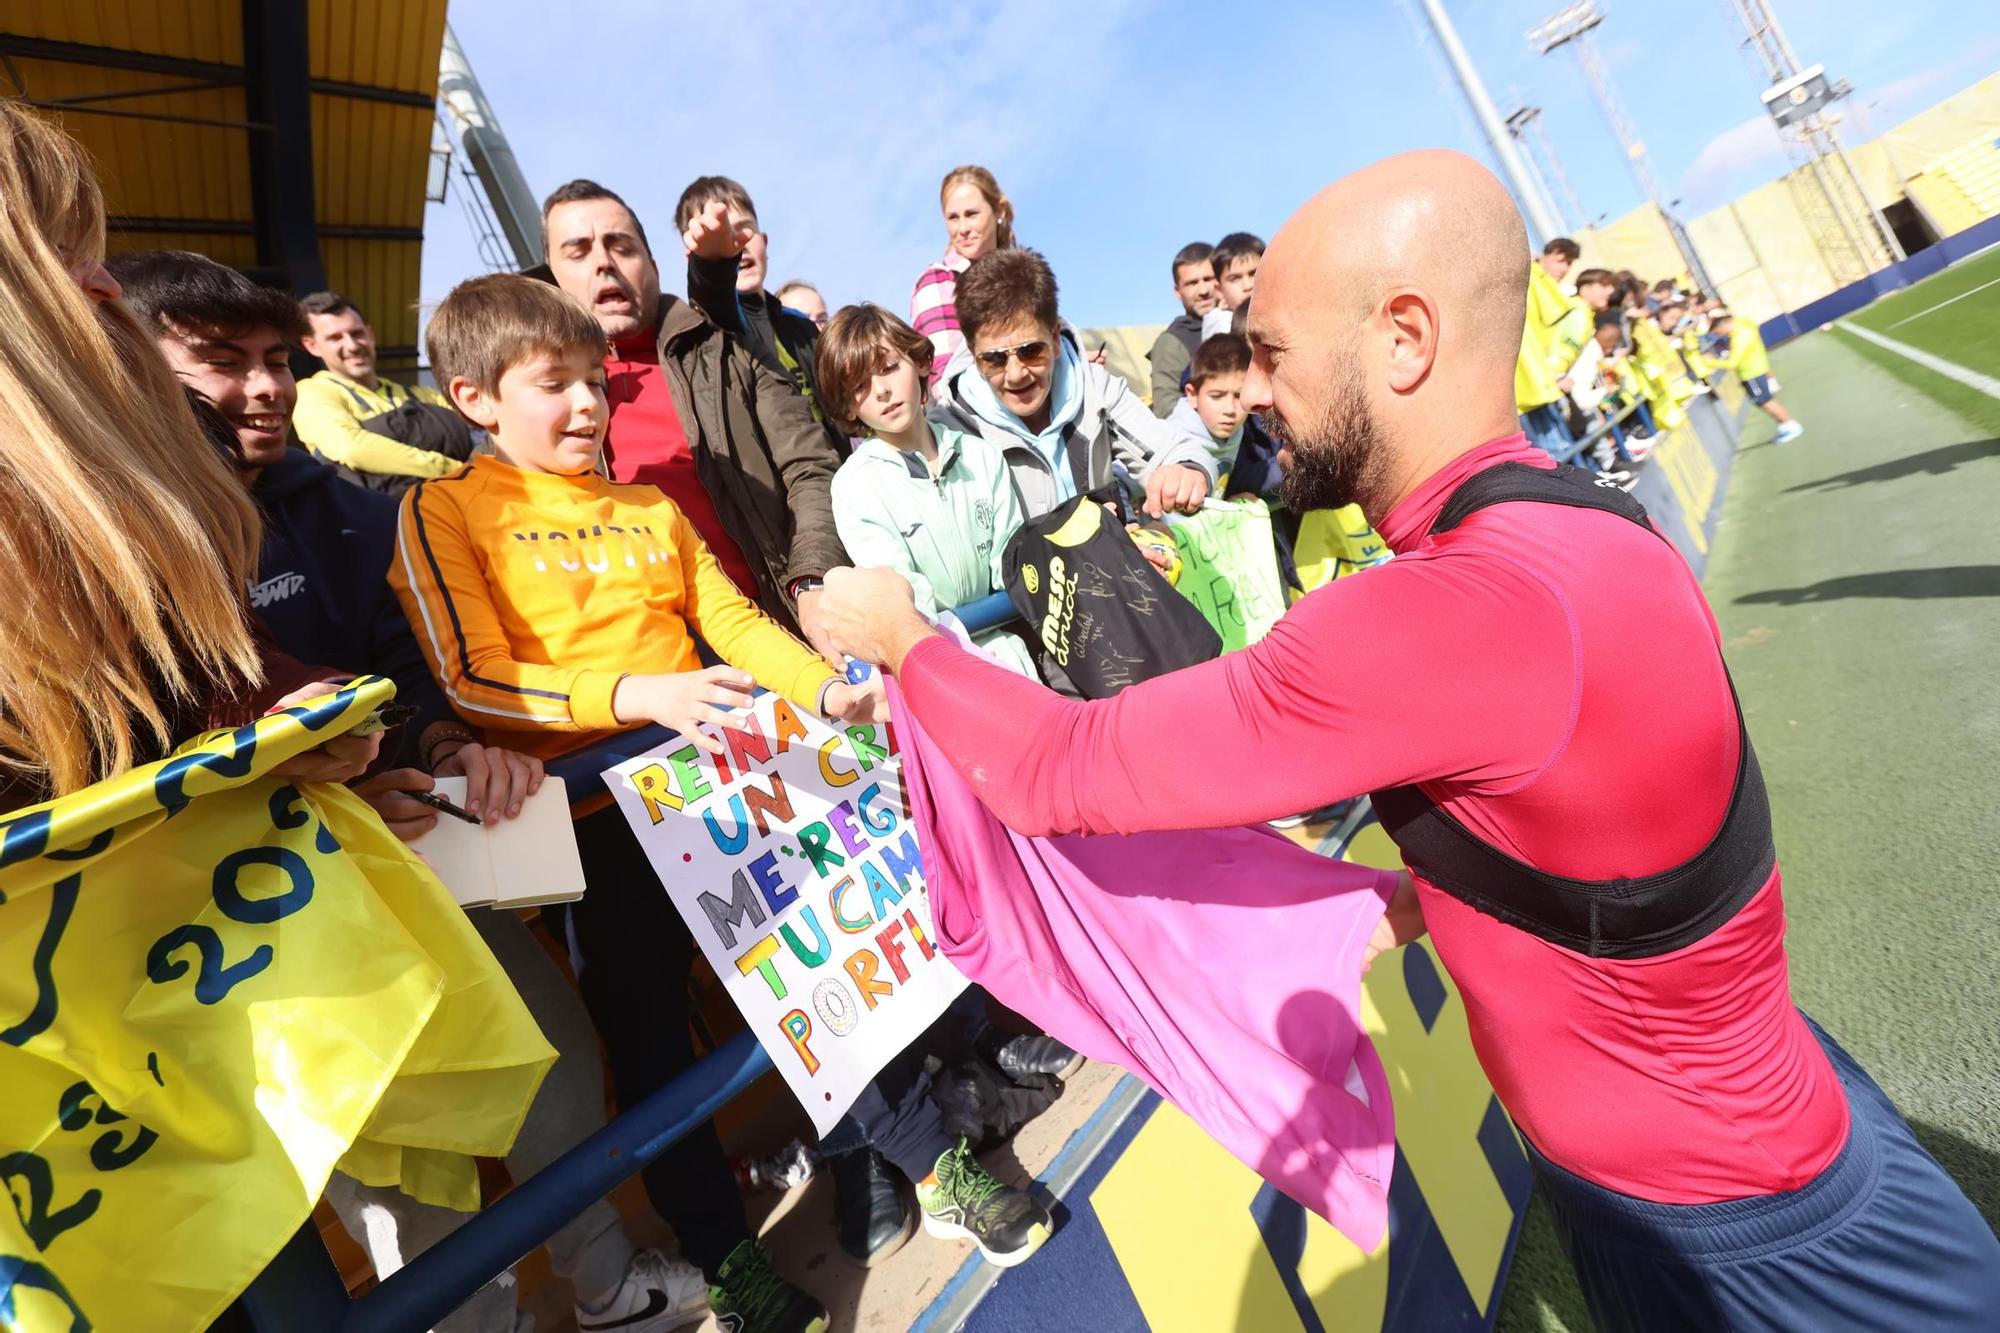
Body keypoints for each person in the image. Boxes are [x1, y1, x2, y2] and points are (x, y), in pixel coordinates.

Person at [814, 148, 2000, 1333]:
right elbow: (1585, 813)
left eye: (1273, 351)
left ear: (1403, 338)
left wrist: (903, 634)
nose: (1255, 390)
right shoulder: (1583, 515)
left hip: (1739, 1231)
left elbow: (1052, 769)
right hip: (1761, 1149)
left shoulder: (1435, 612)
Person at [107, 249, 706, 1333]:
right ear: (124, 366)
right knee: (399, 1177)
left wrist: (437, 736)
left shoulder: (337, 502)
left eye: (273, 358)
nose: (265, 386)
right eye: (220, 361)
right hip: (263, 931)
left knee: (557, 1067)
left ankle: (607, 1285)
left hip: (421, 858)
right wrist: (288, 778)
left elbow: (406, 655)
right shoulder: (107, 537)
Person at [393, 272, 891, 1332]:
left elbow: (734, 628)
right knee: (653, 1050)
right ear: (474, 396)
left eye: (593, 384)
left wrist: (828, 686)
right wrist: (634, 698)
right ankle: (728, 1258)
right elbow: (468, 672)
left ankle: (900, 1156)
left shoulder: (648, 505)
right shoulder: (441, 510)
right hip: (590, 834)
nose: (587, 406)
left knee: (813, 978)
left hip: (722, 797)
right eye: (553, 385)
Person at [0, 100, 368, 814]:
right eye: (56, 251)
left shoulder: (143, 474)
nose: (102, 284)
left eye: (279, 360)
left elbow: (207, 668)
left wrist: (281, 707)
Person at [540, 178, 846, 659]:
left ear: (655, 266)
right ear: (553, 279)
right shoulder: (530, 406)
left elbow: (811, 466)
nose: (604, 262)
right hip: (663, 695)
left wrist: (812, 579)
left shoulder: (728, 347)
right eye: (578, 252)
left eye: (621, 246)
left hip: (796, 636)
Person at [928, 247, 1216, 523]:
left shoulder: (1095, 390)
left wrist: (1188, 471)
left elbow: (1173, 450)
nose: (1015, 374)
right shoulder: (947, 431)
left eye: (1031, 351)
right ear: (973, 354)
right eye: (994, 359)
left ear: (1054, 338)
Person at [824, 303, 1034, 675]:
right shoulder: (855, 485)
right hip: (939, 668)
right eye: (859, 386)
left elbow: (1013, 560)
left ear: (920, 362)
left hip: (1010, 655)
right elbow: (902, 596)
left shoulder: (980, 455)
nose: (882, 391)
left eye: (888, 368)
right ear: (848, 407)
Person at [675, 177, 832, 427]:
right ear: (693, 258)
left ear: (764, 241)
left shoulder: (802, 328)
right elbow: (712, 293)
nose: (736, 246)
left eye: (744, 229)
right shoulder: (711, 329)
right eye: (719, 237)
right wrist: (712, 265)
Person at [292, 290, 472, 492]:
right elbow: (350, 448)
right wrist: (455, 470)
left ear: (370, 335)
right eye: (335, 338)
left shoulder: (421, 394)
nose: (352, 346)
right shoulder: (312, 392)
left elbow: (475, 428)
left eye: (357, 334)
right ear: (312, 346)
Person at [911, 165, 1014, 371]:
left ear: (998, 211)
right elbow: (944, 378)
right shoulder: (938, 282)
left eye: (971, 214)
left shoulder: (1023, 277)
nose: (963, 229)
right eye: (953, 218)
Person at [1709, 310, 1803, 443]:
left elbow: (1732, 363)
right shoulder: (1744, 325)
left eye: (1718, 331)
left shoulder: (1740, 336)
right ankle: (1785, 425)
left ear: (1725, 324)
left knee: (1765, 401)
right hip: (1757, 368)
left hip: (1751, 373)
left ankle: (1791, 425)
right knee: (1766, 400)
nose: (1719, 335)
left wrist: (1708, 361)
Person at [1147, 241, 1218, 417]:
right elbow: (1167, 409)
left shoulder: (1242, 321)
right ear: (1178, 291)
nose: (1203, 290)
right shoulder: (1172, 342)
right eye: (1192, 283)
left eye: (1208, 279)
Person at [1167, 332, 1251, 476]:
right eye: (1217, 396)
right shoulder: (1169, 439)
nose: (1230, 409)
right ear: (1192, 395)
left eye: (1240, 396)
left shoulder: (1237, 432)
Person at [1200, 231, 1263, 338]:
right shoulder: (1221, 327)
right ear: (1219, 290)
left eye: (1254, 274)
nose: (1248, 286)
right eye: (1235, 279)